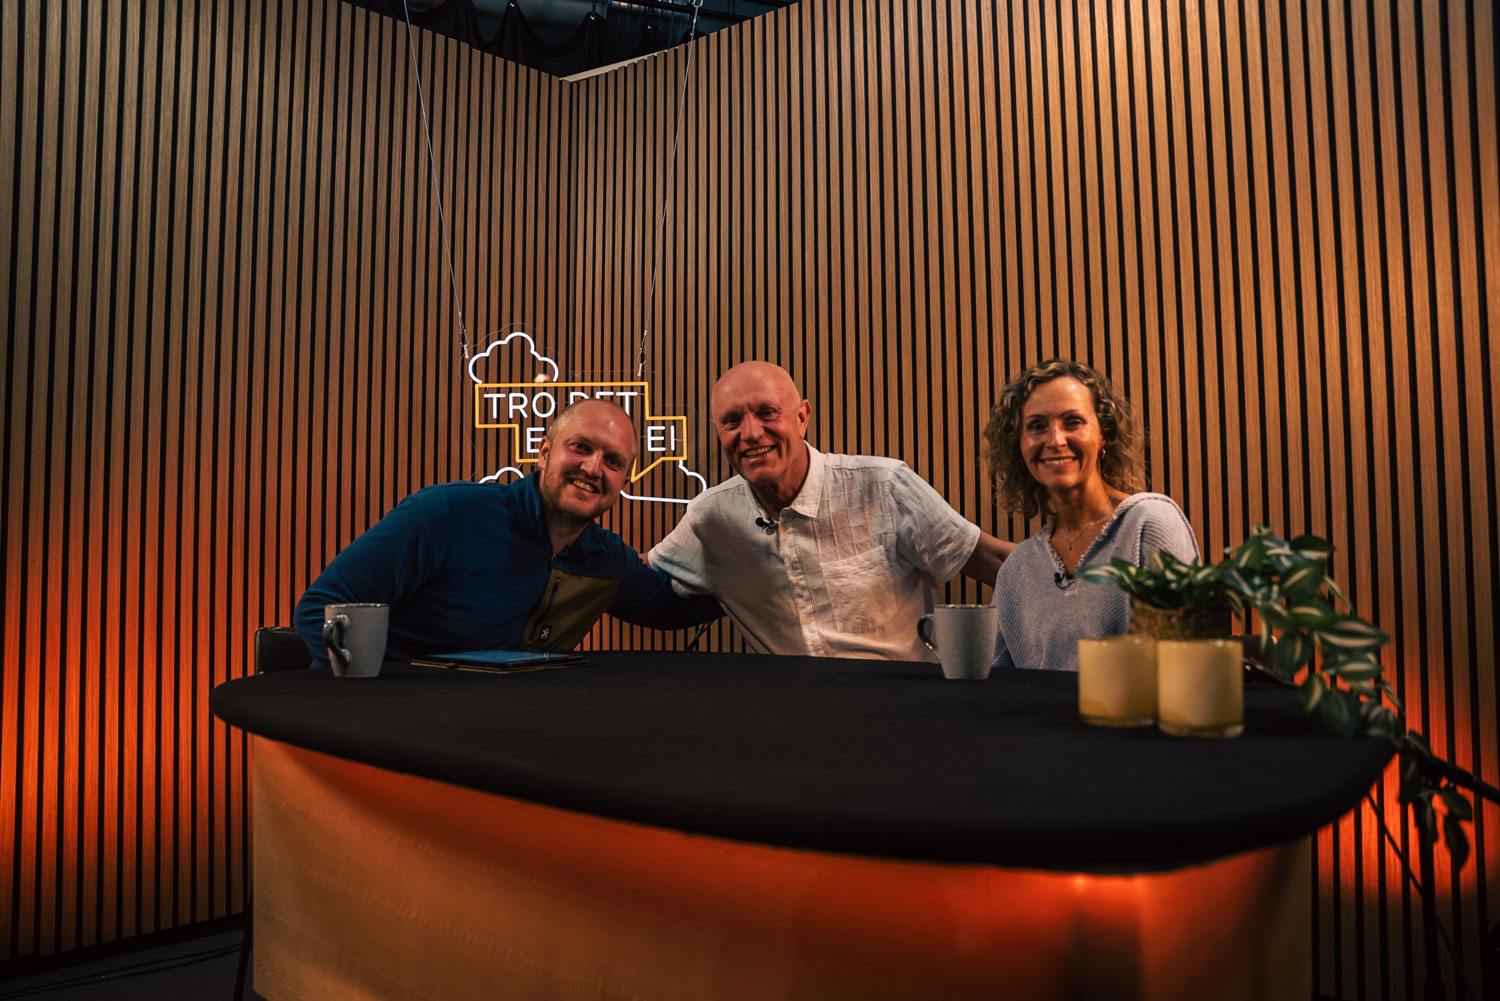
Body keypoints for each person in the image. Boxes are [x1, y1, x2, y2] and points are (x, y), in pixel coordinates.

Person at [295, 400, 721, 665]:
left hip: (500, 739)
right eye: (580, 447)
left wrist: (752, 563)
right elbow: (321, 611)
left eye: (612, 461)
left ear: (624, 482)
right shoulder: (447, 513)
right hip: (389, 738)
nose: (593, 468)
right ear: (544, 452)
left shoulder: (608, 560)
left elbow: (672, 611)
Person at [648, 361, 1012, 661]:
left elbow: (992, 561)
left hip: (903, 711)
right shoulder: (709, 517)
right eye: (732, 421)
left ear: (802, 417)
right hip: (791, 717)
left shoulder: (884, 486)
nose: (751, 433)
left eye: (767, 412)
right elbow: (642, 576)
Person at [982, 358, 1199, 671]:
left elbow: (1185, 666)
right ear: (1019, 445)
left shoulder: (1149, 524)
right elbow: (995, 686)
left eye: (1072, 422)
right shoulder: (1017, 570)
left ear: (1104, 436)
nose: (1055, 440)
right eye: (1037, 426)